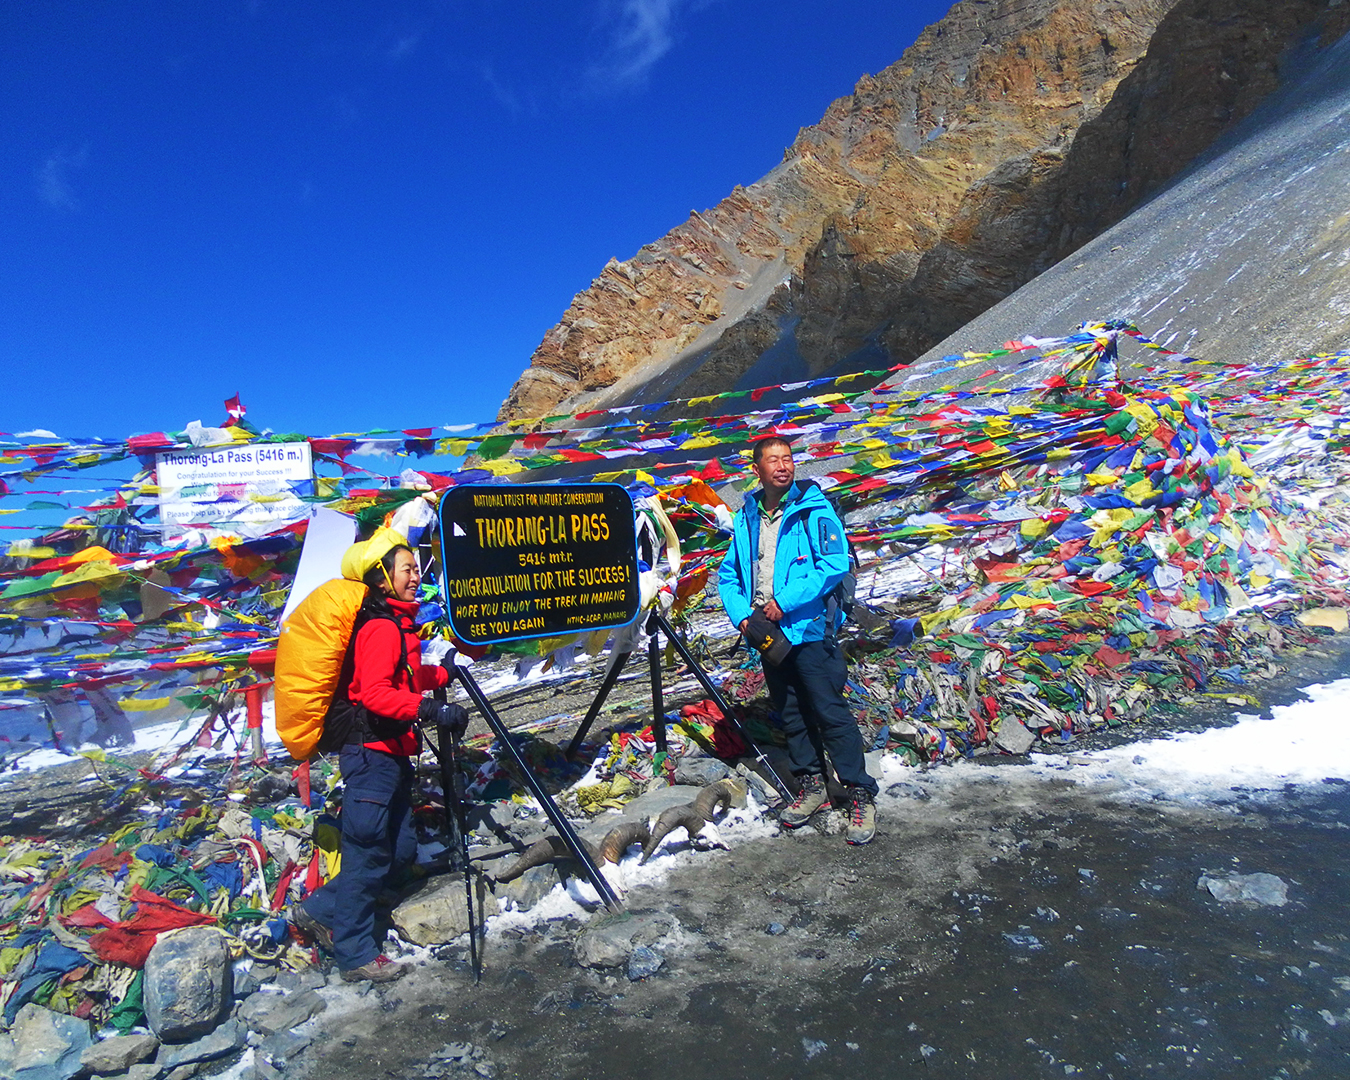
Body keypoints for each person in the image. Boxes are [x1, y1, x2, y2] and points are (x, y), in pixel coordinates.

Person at [292, 527, 467, 983]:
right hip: (371, 757)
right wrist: (429, 709)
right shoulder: (380, 628)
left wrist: (438, 675)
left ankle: (318, 910)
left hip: (390, 755)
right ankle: (354, 954)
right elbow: (375, 694)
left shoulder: (396, 625)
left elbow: (405, 676)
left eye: (416, 568)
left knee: (400, 848)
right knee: (368, 854)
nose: (416, 576)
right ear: (382, 578)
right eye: (407, 569)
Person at [718, 436, 879, 844]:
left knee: (829, 709)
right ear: (757, 469)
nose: (782, 466)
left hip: (806, 627)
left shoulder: (814, 509)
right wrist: (741, 617)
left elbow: (833, 562)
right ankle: (811, 785)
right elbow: (729, 575)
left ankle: (859, 792)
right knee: (789, 709)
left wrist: (783, 602)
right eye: (772, 460)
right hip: (766, 632)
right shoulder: (748, 515)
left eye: (787, 458)